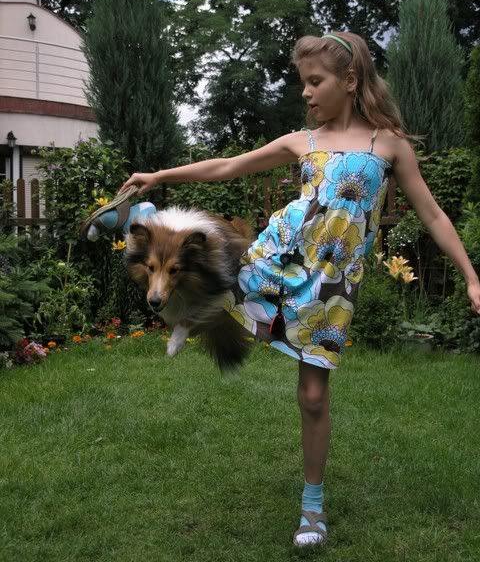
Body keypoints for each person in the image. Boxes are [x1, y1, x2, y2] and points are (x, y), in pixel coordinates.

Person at [109, 32, 480, 547]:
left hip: (331, 285)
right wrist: (160, 174)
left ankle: (312, 507)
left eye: (315, 81)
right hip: (281, 256)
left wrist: (471, 275)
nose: (305, 92)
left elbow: (433, 214)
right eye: (302, 82)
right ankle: (155, 232)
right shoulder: (302, 141)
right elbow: (228, 166)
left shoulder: (388, 145)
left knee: (312, 396)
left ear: (349, 81)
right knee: (217, 284)